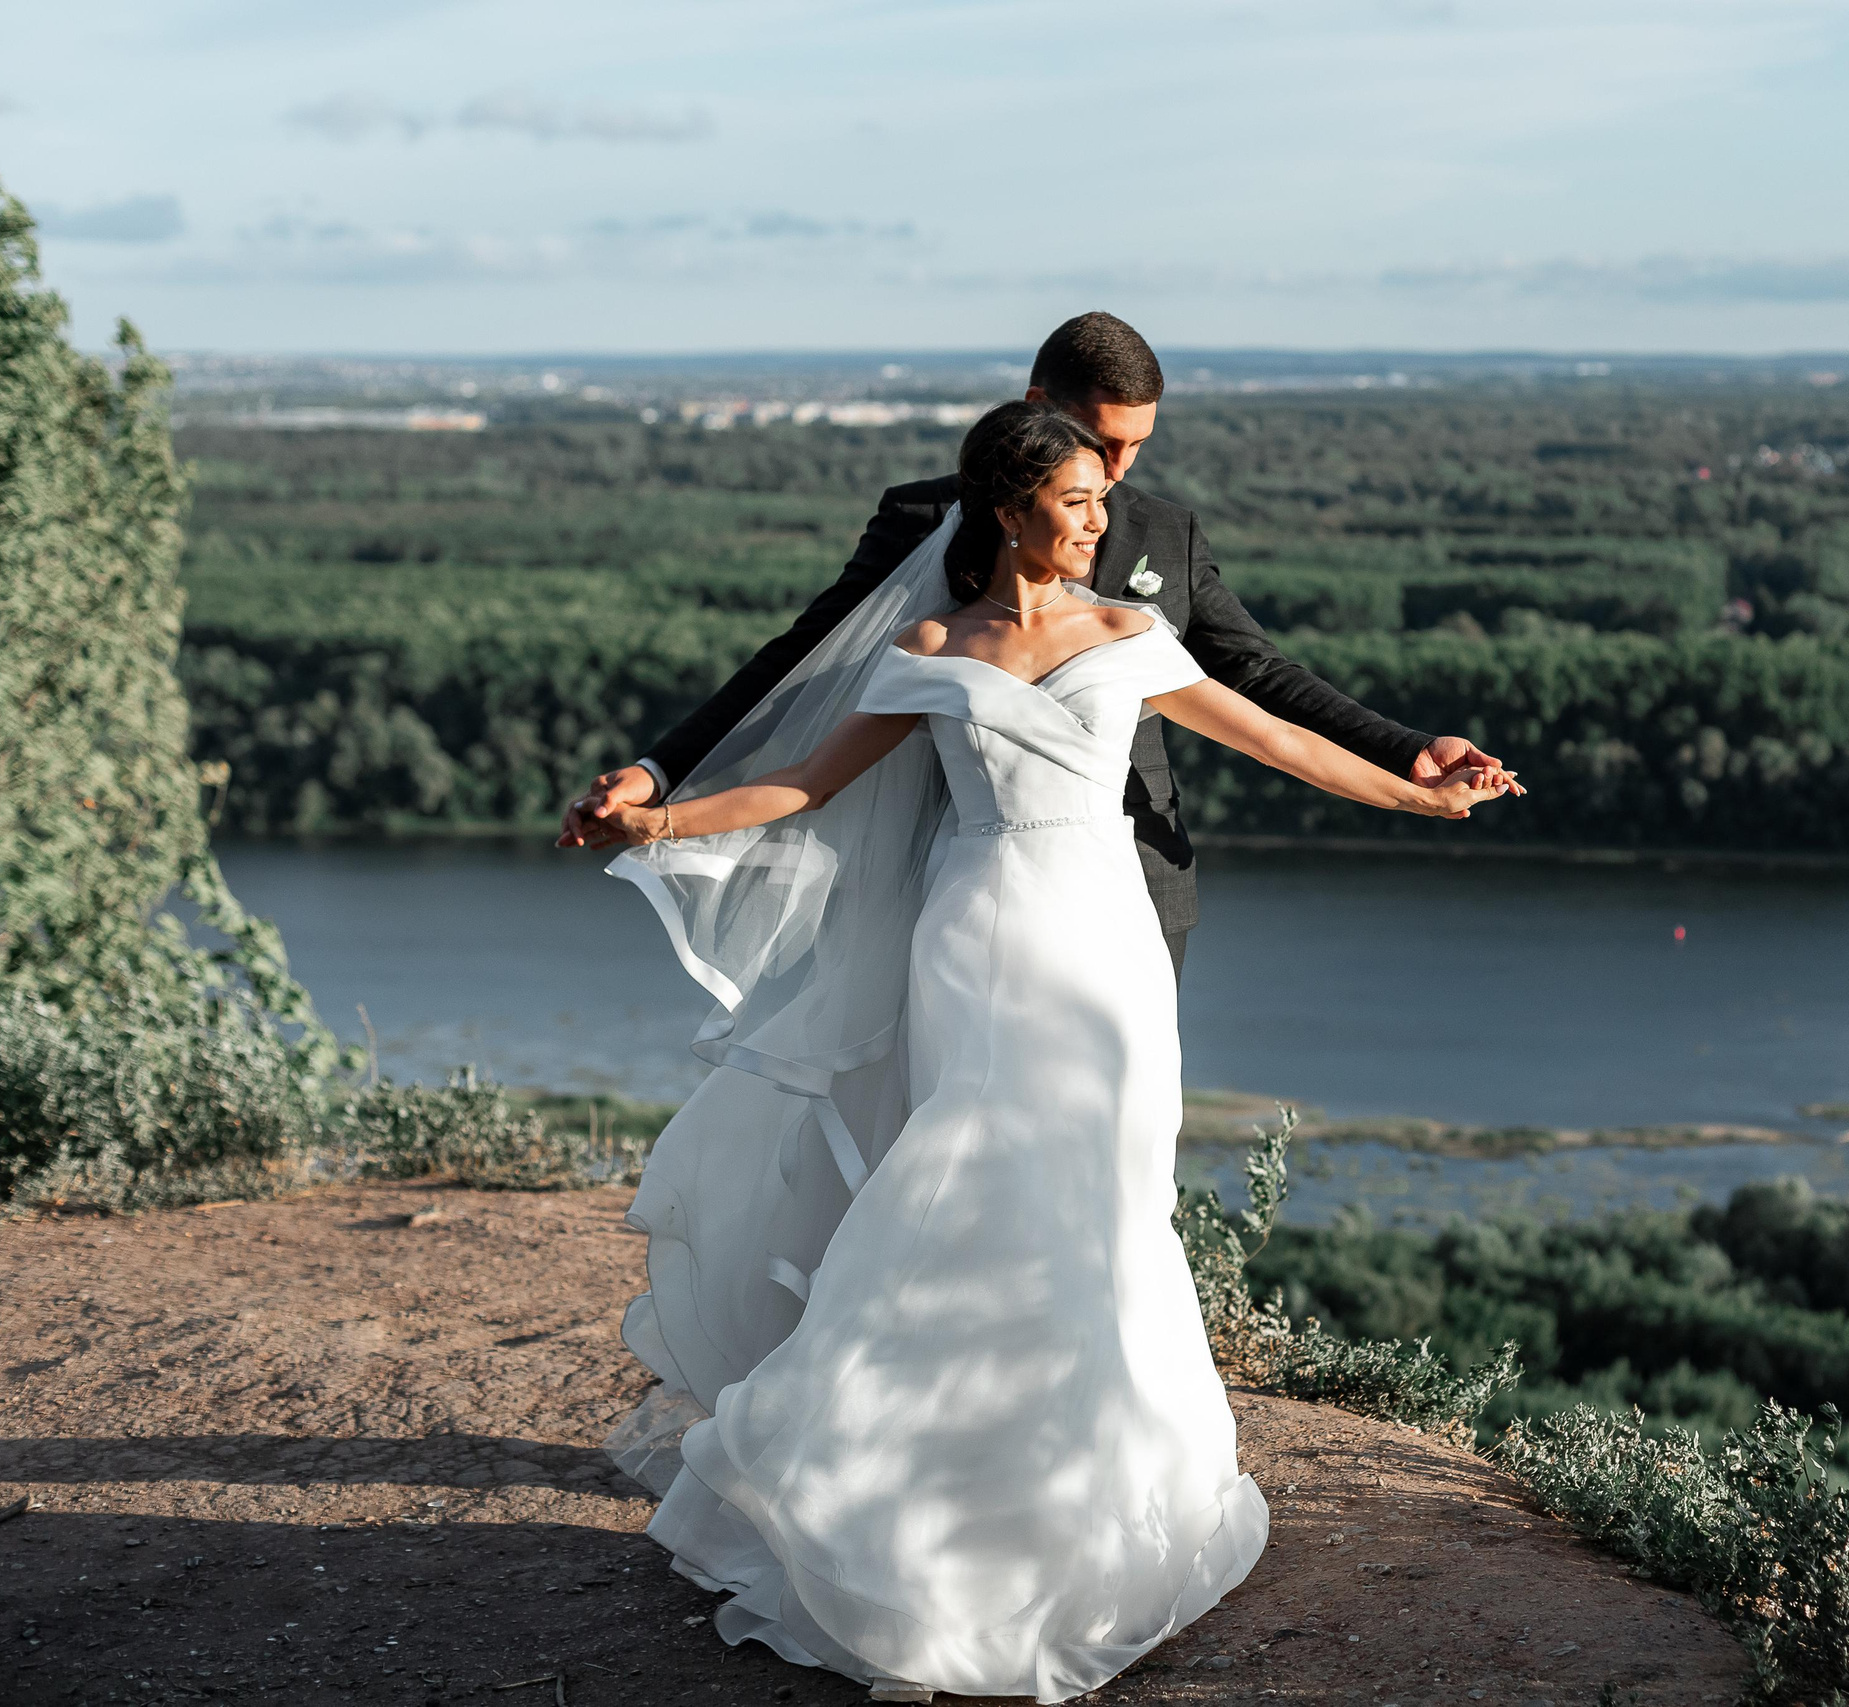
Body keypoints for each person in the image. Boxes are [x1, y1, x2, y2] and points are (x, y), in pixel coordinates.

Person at [571, 402, 1517, 1703]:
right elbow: (804, 784)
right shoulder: (926, 647)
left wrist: (1419, 788)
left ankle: (1086, 1495)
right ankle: (910, 1503)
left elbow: (1277, 735)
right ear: (1010, 508)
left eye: (1098, 499)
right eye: (1076, 498)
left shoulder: (1128, 633)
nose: (1097, 518)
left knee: (1107, 1198)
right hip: (976, 938)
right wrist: (660, 821)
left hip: (1106, 945)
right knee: (961, 1188)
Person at [561, 310, 1509, 972]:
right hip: (956, 873)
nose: (1117, 474)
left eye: (1137, 446)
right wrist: (659, 773)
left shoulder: (1164, 533)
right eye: (1100, 440)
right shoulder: (919, 524)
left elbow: (1259, 680)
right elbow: (804, 656)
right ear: (1036, 403)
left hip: (1136, 877)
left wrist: (1407, 752)